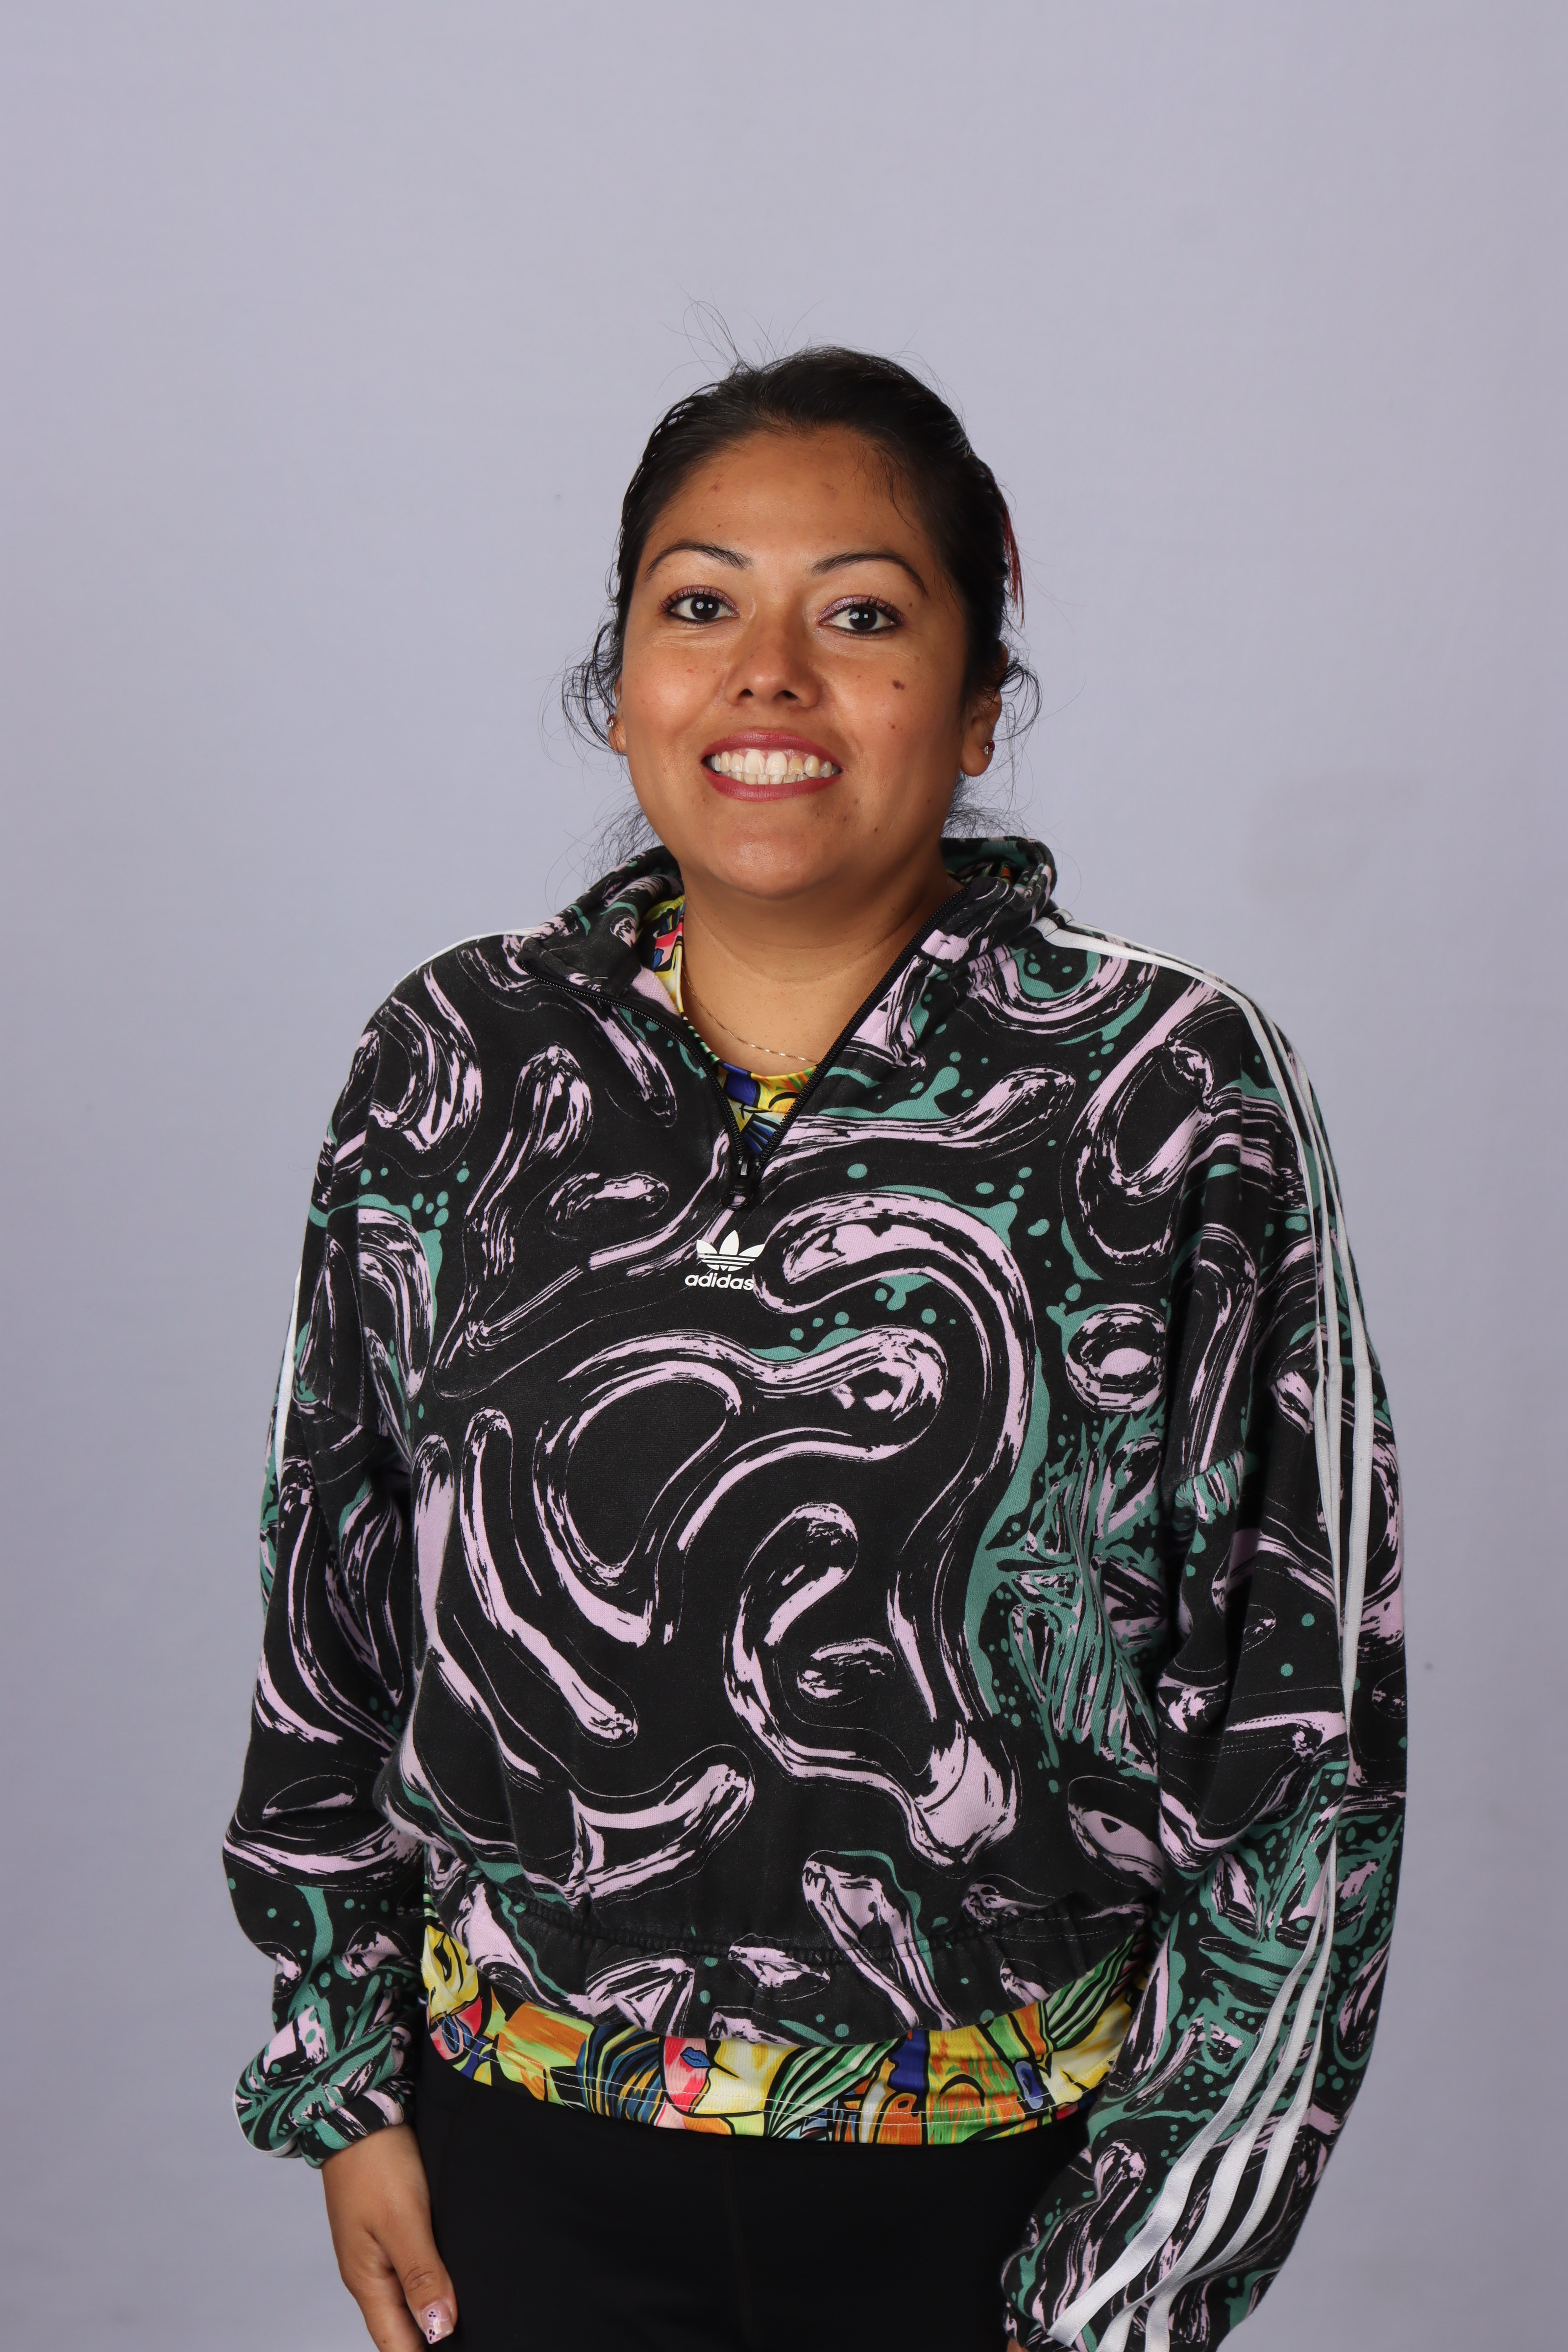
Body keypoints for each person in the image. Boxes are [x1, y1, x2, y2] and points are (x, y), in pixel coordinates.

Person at [225, 348, 1405, 2352]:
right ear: (621, 686)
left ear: (976, 700)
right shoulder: (457, 1063)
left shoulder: (1165, 1091)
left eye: (859, 617)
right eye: (700, 607)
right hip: (516, 2167)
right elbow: (328, 1596)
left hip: (998, 2197)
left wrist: (1139, 2265)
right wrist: (342, 2077)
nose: (765, 677)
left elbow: (1305, 1727)